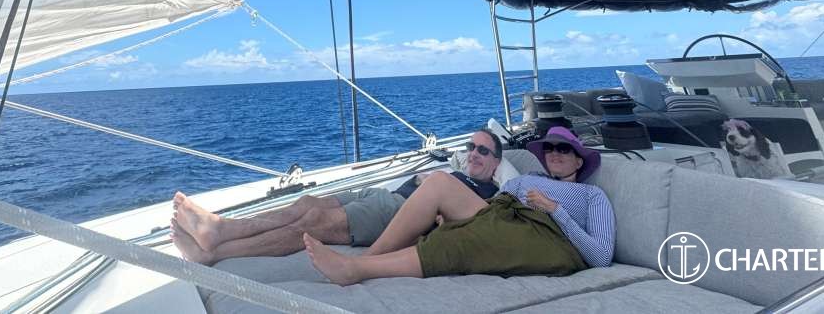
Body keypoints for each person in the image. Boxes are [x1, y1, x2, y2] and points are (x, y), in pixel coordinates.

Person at [302, 126, 615, 285]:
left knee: (464, 239)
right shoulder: (531, 177)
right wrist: (457, 213)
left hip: (546, 236)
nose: (555, 153)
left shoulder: (592, 196)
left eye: (564, 149)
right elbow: (494, 205)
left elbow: (601, 257)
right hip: (505, 214)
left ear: (579, 160)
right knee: (439, 182)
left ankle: (356, 269)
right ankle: (370, 256)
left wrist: (555, 210)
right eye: (550, 149)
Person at [169, 128, 504, 265]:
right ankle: (222, 228)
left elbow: (464, 224)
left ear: (497, 163)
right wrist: (424, 177)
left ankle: (214, 252)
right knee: (306, 204)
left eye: (483, 151)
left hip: (397, 211)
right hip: (383, 194)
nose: (474, 154)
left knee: (312, 223)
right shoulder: (458, 173)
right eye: (471, 147)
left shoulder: (490, 194)